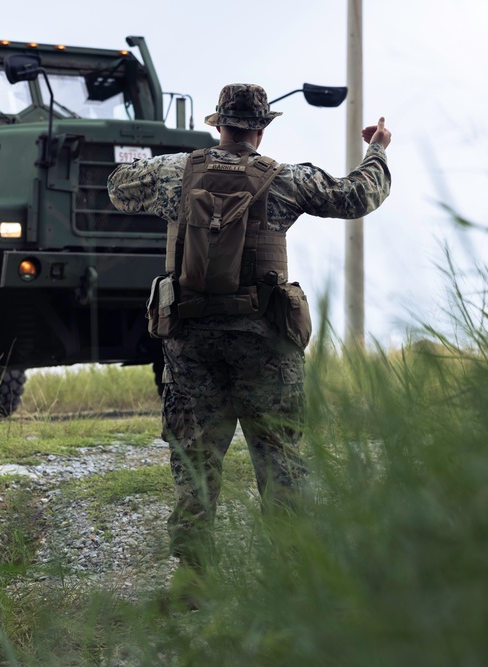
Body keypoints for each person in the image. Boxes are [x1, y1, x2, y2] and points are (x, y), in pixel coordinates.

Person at [107, 83, 392, 582]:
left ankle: (192, 579)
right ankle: (288, 579)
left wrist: (139, 158)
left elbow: (117, 187)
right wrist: (377, 149)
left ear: (219, 125)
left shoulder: (176, 172)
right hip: (265, 339)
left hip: (192, 340)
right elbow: (357, 196)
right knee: (280, 455)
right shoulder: (284, 179)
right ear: (260, 129)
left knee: (195, 455)